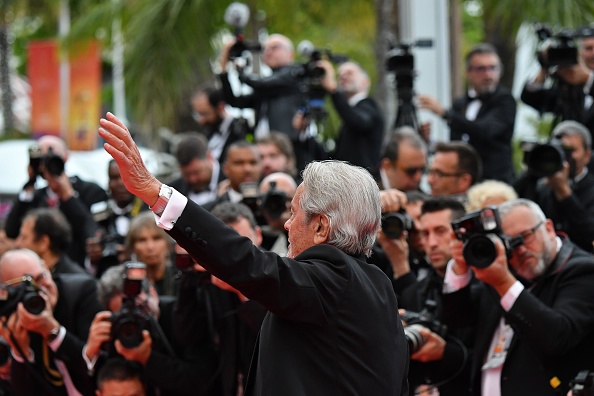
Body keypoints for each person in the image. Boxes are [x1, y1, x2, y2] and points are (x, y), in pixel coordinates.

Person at [99, 112, 410, 395]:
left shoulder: (333, 277)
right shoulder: (379, 285)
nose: (287, 224)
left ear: (321, 228)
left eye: (294, 213)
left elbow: (247, 261)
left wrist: (154, 192)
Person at [442, 199, 594, 395]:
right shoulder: (503, 271)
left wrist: (503, 283)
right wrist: (459, 269)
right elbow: (457, 319)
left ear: (548, 228)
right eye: (510, 243)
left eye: (526, 236)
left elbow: (557, 336)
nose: (520, 249)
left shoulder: (583, 270)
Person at [380, 197, 474, 395]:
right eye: (425, 233)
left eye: (440, 232)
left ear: (460, 233)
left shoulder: (484, 285)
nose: (431, 243)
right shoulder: (418, 289)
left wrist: (446, 353)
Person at [175, 202, 267, 396]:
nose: (235, 257)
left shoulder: (275, 274)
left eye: (242, 245)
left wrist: (242, 291)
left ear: (258, 236)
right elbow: (186, 337)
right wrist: (188, 284)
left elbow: (275, 336)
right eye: (226, 247)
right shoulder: (206, 279)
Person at [87, 263, 219, 396]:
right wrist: (90, 354)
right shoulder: (119, 331)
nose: (135, 318)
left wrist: (147, 359)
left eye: (141, 307)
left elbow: (202, 381)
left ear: (153, 293)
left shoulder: (184, 315)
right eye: (125, 313)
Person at [0, 248, 102, 395]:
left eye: (41, 278)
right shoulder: (12, 318)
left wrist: (52, 331)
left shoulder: (83, 292)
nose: (40, 291)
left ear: (46, 267)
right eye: (27, 288)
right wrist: (20, 353)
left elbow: (96, 369)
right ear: (7, 293)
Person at [418, 43, 516, 183]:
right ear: (468, 72)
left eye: (493, 68)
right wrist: (430, 142)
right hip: (463, 183)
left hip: (495, 183)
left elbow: (484, 130)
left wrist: (445, 114)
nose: (488, 75)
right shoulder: (460, 103)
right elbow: (457, 145)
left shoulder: (505, 100)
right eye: (481, 69)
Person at [4, 135, 107, 267]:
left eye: (52, 158)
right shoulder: (34, 196)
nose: (46, 164)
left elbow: (91, 231)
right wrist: (30, 183)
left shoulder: (90, 190)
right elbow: (11, 231)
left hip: (76, 269)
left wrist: (68, 196)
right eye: (42, 159)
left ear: (65, 157)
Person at [514, 120, 594, 252]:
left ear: (587, 155)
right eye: (560, 150)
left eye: (570, 151)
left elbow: (590, 233)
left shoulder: (590, 188)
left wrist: (565, 194)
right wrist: (530, 171)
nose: (565, 157)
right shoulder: (542, 184)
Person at [315, 60, 385, 171]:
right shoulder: (349, 113)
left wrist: (333, 91)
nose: (343, 76)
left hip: (362, 181)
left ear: (365, 82)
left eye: (349, 73)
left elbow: (357, 121)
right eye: (340, 75)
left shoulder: (369, 106)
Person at [521, 36, 594, 140]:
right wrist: (544, 68)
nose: (593, 53)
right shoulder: (569, 87)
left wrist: (588, 79)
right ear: (579, 53)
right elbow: (531, 97)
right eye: (588, 48)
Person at [87, 160, 149, 277]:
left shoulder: (147, 213)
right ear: (108, 183)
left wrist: (134, 254)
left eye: (126, 176)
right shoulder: (98, 214)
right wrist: (92, 258)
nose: (121, 183)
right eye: (115, 178)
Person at [15, 208, 87, 275]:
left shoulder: (76, 284)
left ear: (43, 243)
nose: (17, 243)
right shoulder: (24, 274)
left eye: (24, 238)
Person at [191, 85, 249, 164]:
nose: (201, 120)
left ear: (220, 107)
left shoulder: (239, 129)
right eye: (198, 114)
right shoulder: (208, 133)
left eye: (205, 114)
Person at [126, 211, 177, 297]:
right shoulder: (124, 282)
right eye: (142, 240)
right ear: (133, 247)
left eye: (156, 238)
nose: (150, 247)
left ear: (168, 244)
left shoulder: (181, 280)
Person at [203, 141, 261, 211]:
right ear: (225, 169)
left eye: (253, 162)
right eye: (239, 163)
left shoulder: (272, 208)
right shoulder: (209, 211)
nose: (247, 169)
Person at [169, 133, 224, 206]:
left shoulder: (231, 180)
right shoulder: (173, 191)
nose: (192, 179)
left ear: (209, 157)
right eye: (186, 174)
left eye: (196, 172)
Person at [376, 127, 428, 192]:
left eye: (423, 170)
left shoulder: (422, 197)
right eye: (411, 171)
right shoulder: (366, 193)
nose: (418, 178)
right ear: (387, 166)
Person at [257, 172, 297, 255]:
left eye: (288, 199)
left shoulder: (304, 231)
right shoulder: (251, 225)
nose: (276, 205)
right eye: (271, 200)